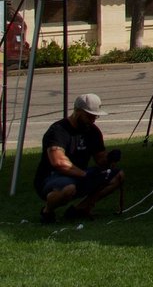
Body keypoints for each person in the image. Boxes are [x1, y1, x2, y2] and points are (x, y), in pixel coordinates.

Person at [35, 92, 125, 223]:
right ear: (77, 111)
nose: (93, 120)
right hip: (52, 177)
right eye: (89, 116)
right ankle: (47, 211)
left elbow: (100, 159)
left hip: (80, 175)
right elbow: (59, 162)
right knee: (69, 189)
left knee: (118, 175)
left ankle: (80, 209)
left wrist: (110, 158)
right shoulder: (58, 131)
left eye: (95, 116)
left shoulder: (93, 131)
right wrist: (85, 175)